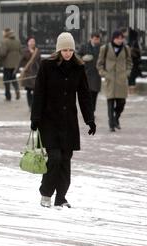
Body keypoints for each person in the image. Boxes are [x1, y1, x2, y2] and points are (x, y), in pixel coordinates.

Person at [31, 32, 96, 208]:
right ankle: (46, 193)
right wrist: (35, 118)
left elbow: (84, 96)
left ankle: (61, 197)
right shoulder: (47, 66)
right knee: (55, 158)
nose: (67, 53)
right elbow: (39, 94)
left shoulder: (78, 67)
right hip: (49, 121)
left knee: (66, 160)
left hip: (68, 123)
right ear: (59, 50)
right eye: (64, 50)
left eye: (70, 50)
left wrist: (89, 119)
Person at [96, 30, 132, 132]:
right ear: (113, 38)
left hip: (121, 79)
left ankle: (116, 118)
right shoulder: (105, 48)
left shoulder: (126, 49)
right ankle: (111, 124)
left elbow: (129, 62)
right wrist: (104, 74)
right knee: (110, 102)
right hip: (110, 79)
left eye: (122, 38)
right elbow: (99, 64)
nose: (120, 40)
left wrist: (127, 73)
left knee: (122, 102)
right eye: (118, 38)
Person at [78, 32, 102, 114]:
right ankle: (88, 110)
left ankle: (92, 110)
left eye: (98, 39)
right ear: (91, 38)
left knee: (94, 93)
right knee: (87, 93)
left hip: (96, 74)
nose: (97, 41)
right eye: (95, 39)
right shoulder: (84, 46)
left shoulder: (101, 47)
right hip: (86, 73)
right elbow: (77, 56)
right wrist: (83, 59)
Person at [18, 36, 41, 110]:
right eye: (30, 41)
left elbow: (40, 61)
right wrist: (17, 70)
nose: (32, 43)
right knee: (28, 90)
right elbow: (20, 61)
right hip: (28, 73)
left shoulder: (37, 51)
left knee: (35, 90)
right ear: (27, 43)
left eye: (33, 41)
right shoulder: (24, 51)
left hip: (35, 73)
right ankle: (30, 105)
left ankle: (34, 105)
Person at [0, 28, 22, 101]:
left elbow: (3, 53)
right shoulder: (17, 41)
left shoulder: (5, 41)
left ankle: (8, 96)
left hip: (7, 64)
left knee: (6, 80)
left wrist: (0, 57)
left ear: (6, 33)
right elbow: (20, 51)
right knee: (13, 78)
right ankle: (17, 90)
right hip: (15, 64)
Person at [128, 28, 143, 95]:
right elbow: (138, 53)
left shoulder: (131, 42)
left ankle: (131, 92)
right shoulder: (135, 43)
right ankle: (131, 92)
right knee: (132, 78)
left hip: (132, 63)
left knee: (131, 77)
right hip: (134, 62)